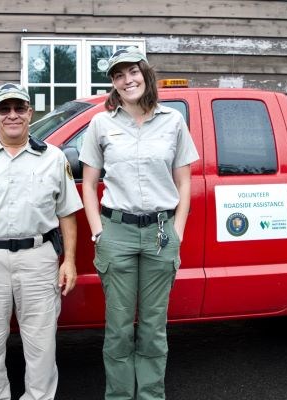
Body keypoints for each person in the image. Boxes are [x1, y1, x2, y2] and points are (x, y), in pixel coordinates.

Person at [79, 47, 199, 399]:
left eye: (132, 72)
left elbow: (185, 182)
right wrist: (98, 232)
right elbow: (88, 184)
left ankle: (150, 395)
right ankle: (118, 395)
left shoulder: (173, 121)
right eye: (118, 75)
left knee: (152, 327)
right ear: (113, 85)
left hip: (162, 233)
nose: (126, 80)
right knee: (118, 329)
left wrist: (178, 231)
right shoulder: (101, 123)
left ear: (146, 75)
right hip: (116, 232)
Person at [0, 83, 83, 400]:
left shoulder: (52, 158)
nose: (13, 115)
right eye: (5, 109)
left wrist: (69, 261)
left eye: (19, 108)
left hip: (38, 260)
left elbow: (67, 214)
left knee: (41, 345)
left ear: (29, 113)